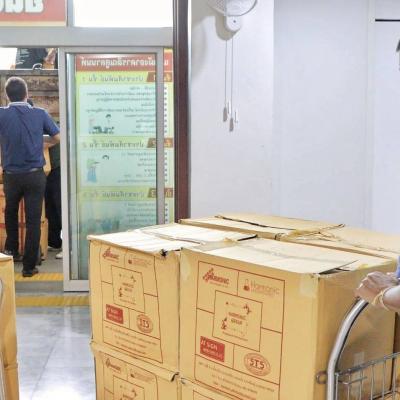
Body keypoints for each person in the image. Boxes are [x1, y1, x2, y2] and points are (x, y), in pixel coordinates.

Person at [0, 77, 60, 277]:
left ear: (7, 96)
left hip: (11, 176)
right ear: (27, 94)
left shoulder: (1, 114)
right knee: (34, 220)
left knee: (10, 213)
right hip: (35, 175)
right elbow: (57, 137)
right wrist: (40, 143)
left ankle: (11, 252)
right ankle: (28, 267)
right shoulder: (39, 113)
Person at [45, 142, 62, 259]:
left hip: (58, 166)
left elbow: (59, 137)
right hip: (47, 168)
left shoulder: (52, 126)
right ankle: (54, 242)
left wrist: (44, 144)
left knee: (61, 206)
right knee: (50, 206)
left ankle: (69, 248)